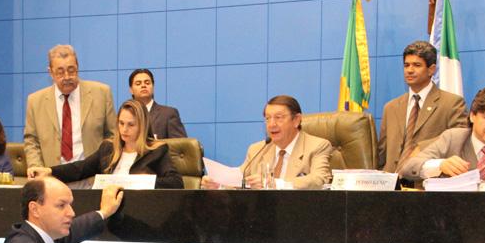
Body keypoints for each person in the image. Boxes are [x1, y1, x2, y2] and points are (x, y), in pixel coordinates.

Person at [400, 87, 485, 191]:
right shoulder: (452, 138)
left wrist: (471, 186)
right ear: (472, 116)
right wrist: (440, 165)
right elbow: (409, 167)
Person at [28, 99, 183, 188]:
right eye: (121, 123)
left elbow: (176, 183)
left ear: (142, 126)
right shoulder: (108, 148)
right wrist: (49, 171)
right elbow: (80, 168)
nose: (124, 129)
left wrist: (142, 182)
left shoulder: (157, 151)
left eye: (131, 125)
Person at [202, 95, 333, 190]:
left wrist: (275, 184)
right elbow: (240, 180)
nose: (271, 124)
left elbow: (319, 179)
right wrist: (219, 184)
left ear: (296, 120)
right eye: (268, 118)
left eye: (278, 118)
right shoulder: (257, 149)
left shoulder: (317, 146)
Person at [378, 41, 467, 177]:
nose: (409, 70)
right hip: (390, 184)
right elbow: (382, 154)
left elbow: (459, 140)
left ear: (431, 69)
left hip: (425, 184)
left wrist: (422, 147)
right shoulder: (390, 107)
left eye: (417, 65)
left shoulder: (452, 103)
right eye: (406, 65)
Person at [23, 44, 115, 171]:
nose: (67, 77)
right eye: (60, 72)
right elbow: (32, 141)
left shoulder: (101, 93)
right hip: (52, 176)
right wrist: (36, 168)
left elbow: (112, 135)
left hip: (91, 175)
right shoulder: (35, 101)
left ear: (78, 67)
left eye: (71, 70)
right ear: (50, 72)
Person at [128, 68, 187, 139]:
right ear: (131, 90)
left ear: (153, 87)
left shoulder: (168, 114)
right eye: (138, 83)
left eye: (147, 83)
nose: (143, 85)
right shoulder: (125, 116)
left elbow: (181, 144)